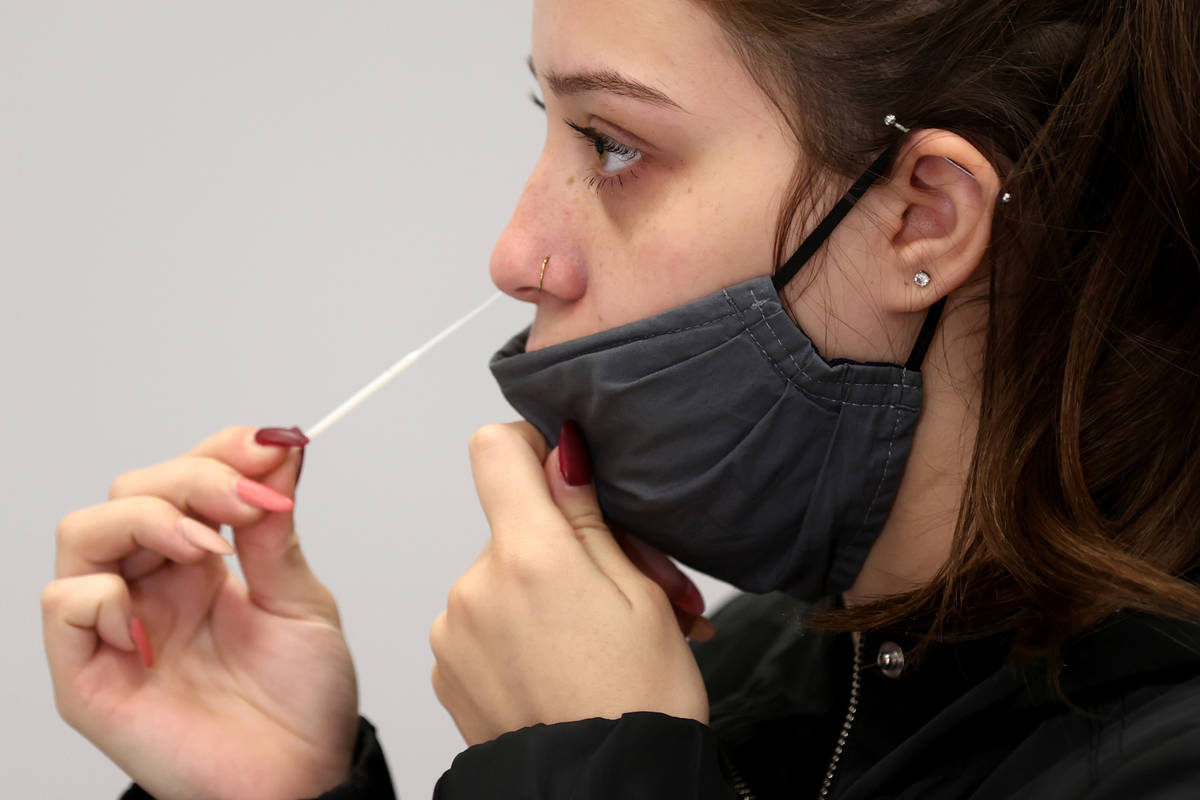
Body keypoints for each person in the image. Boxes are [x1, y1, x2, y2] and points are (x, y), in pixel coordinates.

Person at [42, 0, 1200, 797]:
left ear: (924, 217)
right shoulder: (738, 677)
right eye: (544, 125)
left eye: (609, 142)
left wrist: (589, 767)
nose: (514, 251)